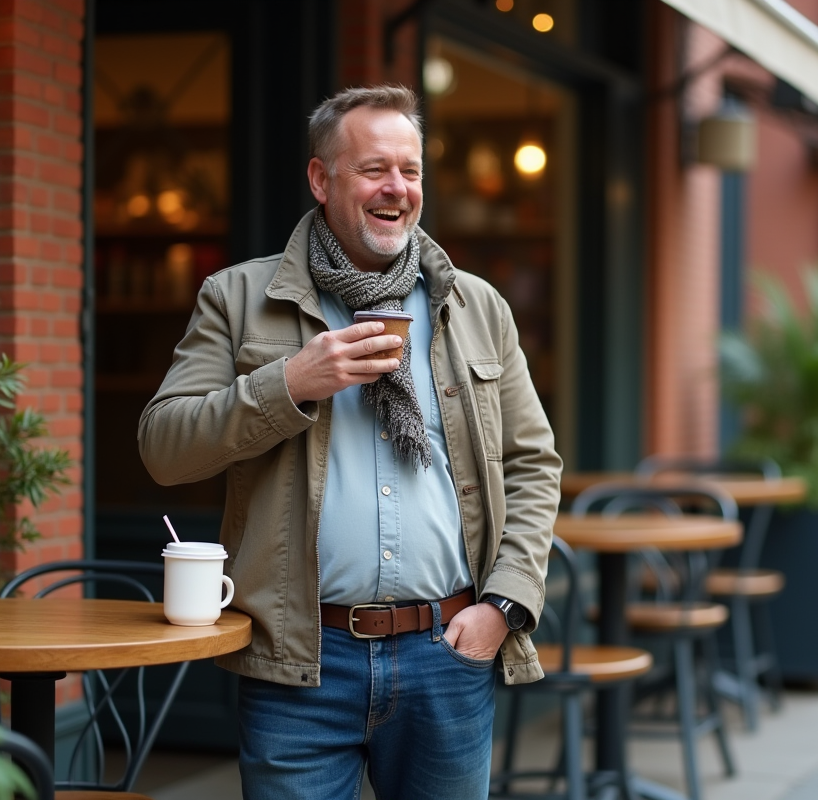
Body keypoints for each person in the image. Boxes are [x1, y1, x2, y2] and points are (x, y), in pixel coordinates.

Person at [138, 85, 561, 799]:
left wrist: (503, 607)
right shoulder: (237, 298)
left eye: (410, 170)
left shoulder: (476, 306)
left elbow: (532, 465)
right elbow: (164, 448)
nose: (397, 187)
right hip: (301, 663)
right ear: (320, 178)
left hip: (448, 652)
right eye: (373, 169)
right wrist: (289, 383)